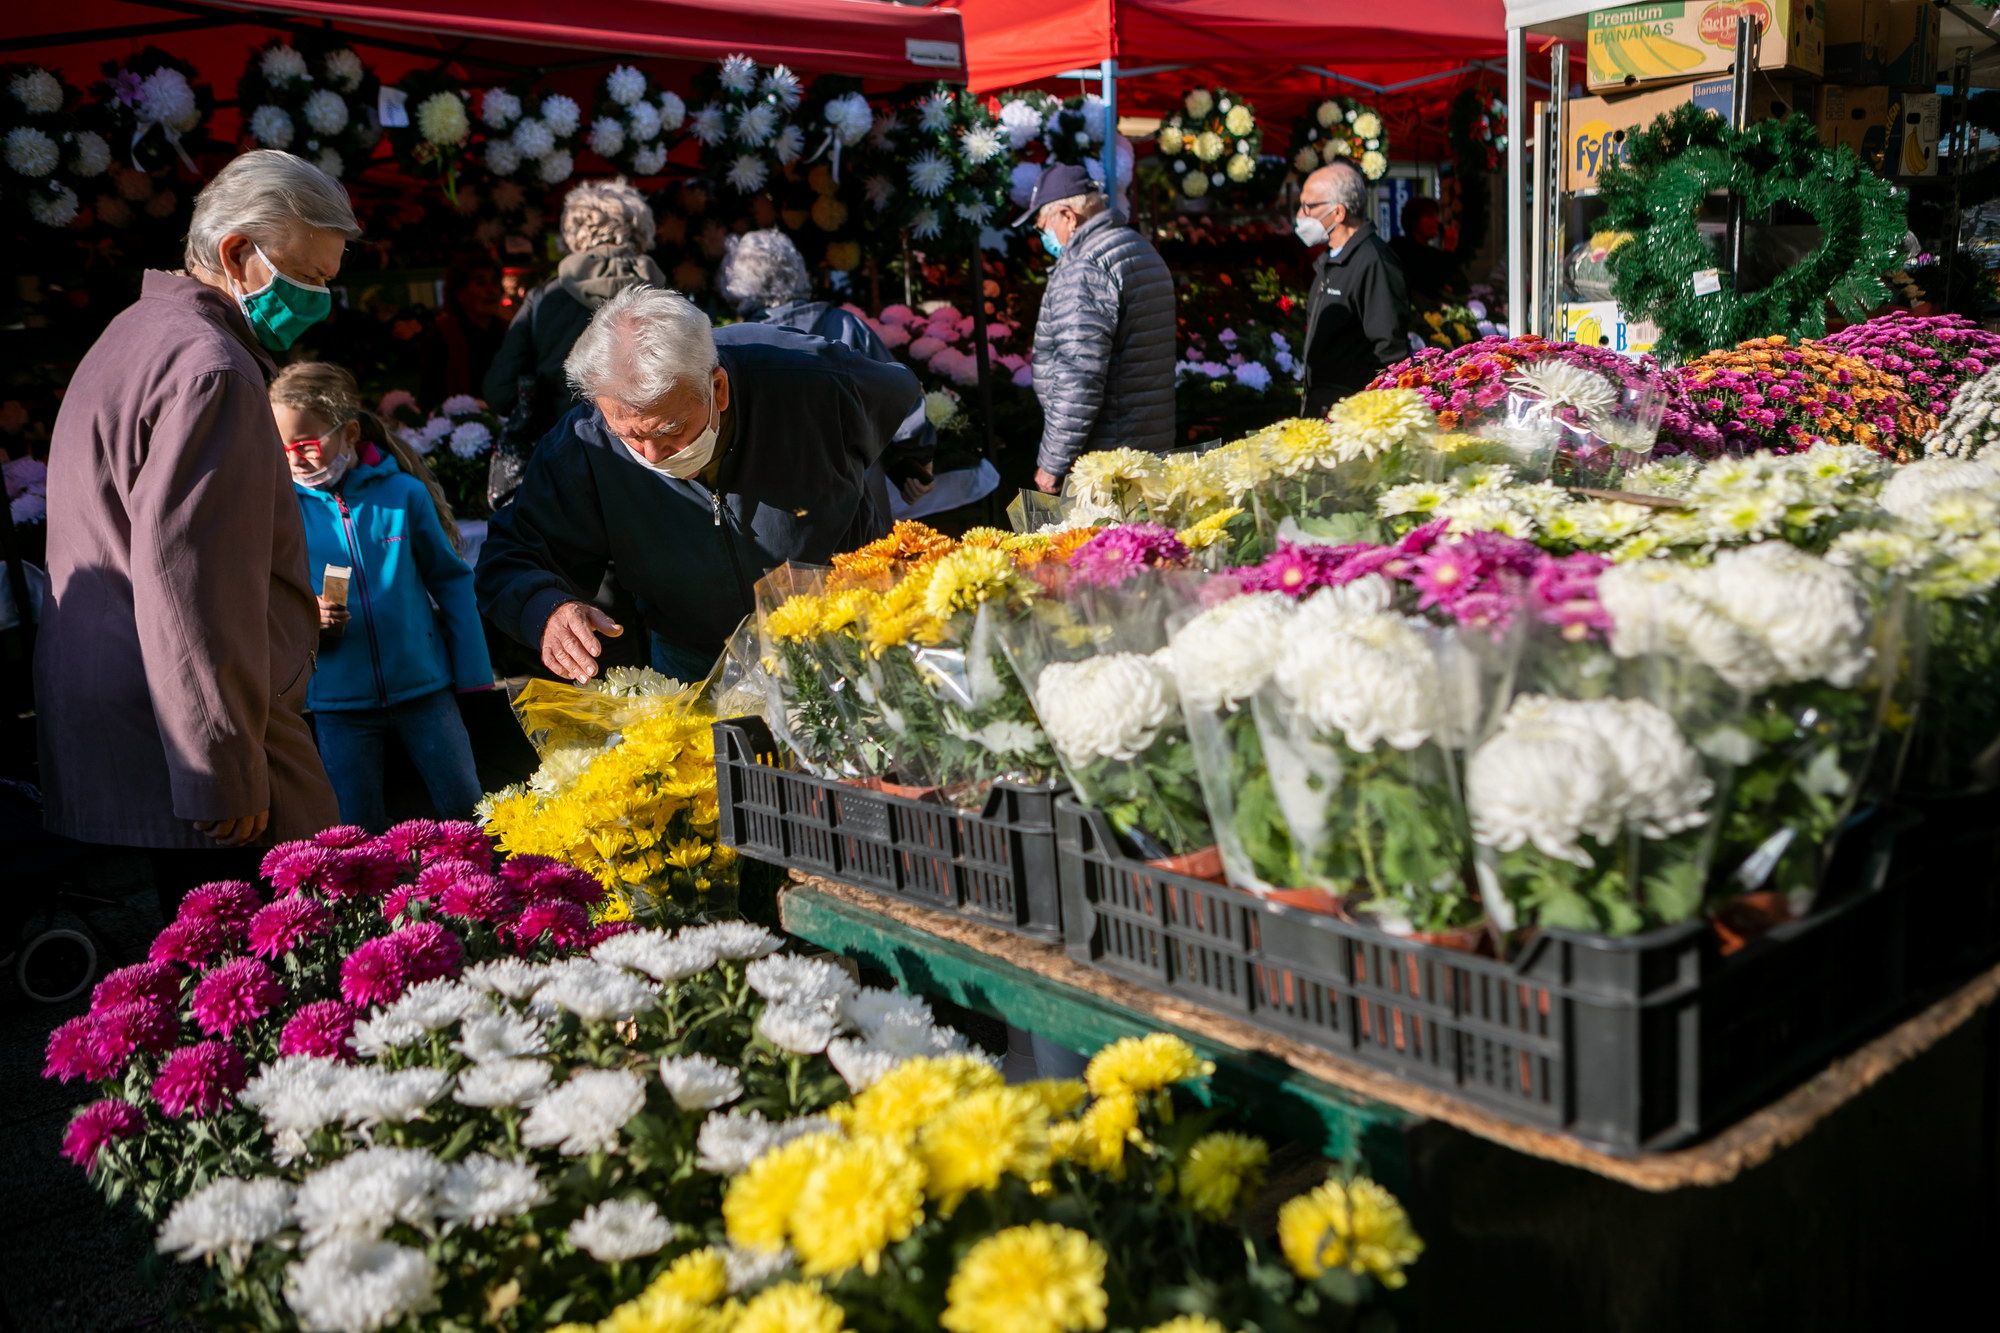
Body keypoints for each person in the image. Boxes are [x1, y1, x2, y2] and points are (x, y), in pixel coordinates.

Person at [35, 149, 351, 909]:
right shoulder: (212, 368)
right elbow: (193, 589)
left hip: (140, 720)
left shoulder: (139, 332)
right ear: (238, 254)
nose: (320, 300)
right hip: (196, 737)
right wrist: (220, 766)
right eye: (307, 276)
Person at [476, 286, 927, 684]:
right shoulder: (586, 440)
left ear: (718, 389)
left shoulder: (812, 380)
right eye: (630, 435)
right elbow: (512, 551)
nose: (652, 455)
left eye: (670, 429)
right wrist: (546, 608)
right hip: (694, 659)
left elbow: (899, 397)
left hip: (843, 635)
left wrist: (904, 461)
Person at [270, 362, 494, 832]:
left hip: (425, 689)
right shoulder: (282, 510)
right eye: (282, 448)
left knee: (466, 810)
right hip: (337, 702)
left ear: (348, 433)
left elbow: (451, 582)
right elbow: (267, 596)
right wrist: (307, 613)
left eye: (307, 445)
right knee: (353, 826)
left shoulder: (402, 495)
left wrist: (473, 674)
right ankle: (369, 906)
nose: (295, 459)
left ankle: (483, 898)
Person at [716, 227, 934, 517]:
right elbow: (900, 395)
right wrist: (920, 457)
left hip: (771, 505)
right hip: (855, 492)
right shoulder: (844, 325)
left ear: (736, 284)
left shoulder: (735, 345)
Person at [482, 178, 666, 507]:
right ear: (641, 231)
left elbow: (500, 391)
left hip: (569, 464)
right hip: (655, 467)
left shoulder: (545, 298)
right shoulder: (664, 296)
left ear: (573, 233)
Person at [1018, 163, 1176, 493]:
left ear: (1068, 216)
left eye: (1042, 225)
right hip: (1146, 443)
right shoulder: (1137, 246)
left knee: (1108, 543)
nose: (1042, 235)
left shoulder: (1086, 266)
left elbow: (1079, 375)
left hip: (1106, 456)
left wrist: (1053, 461)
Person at [1296, 161, 1412, 417]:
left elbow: (1390, 350)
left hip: (1354, 416)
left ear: (1338, 212)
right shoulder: (1331, 260)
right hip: (1326, 409)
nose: (1300, 216)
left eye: (1309, 206)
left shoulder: (1374, 261)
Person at [1388, 196, 1467, 304]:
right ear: (1414, 220)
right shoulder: (1401, 248)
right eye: (1430, 216)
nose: (1436, 221)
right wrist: (1448, 249)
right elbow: (1430, 279)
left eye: (1436, 216)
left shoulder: (1432, 253)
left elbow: (1459, 284)